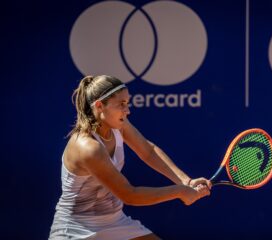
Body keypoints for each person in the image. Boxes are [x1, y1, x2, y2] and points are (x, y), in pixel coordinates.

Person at [49, 75, 211, 240]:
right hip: (76, 230)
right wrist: (179, 192)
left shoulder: (119, 125)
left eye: (127, 103)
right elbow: (129, 195)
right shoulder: (88, 148)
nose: (127, 110)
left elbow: (148, 151)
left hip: (114, 222)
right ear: (100, 106)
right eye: (121, 104)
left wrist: (186, 181)